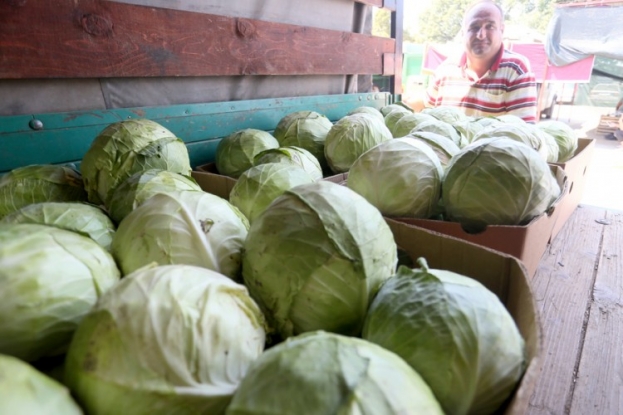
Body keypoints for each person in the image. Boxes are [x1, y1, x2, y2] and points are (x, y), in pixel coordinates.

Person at [403, 0, 538, 123]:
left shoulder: (516, 70)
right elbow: (425, 105)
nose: (481, 35)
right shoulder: (445, 70)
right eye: (474, 27)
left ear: (501, 30)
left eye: (490, 26)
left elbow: (524, 132)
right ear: (463, 33)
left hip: (492, 151)